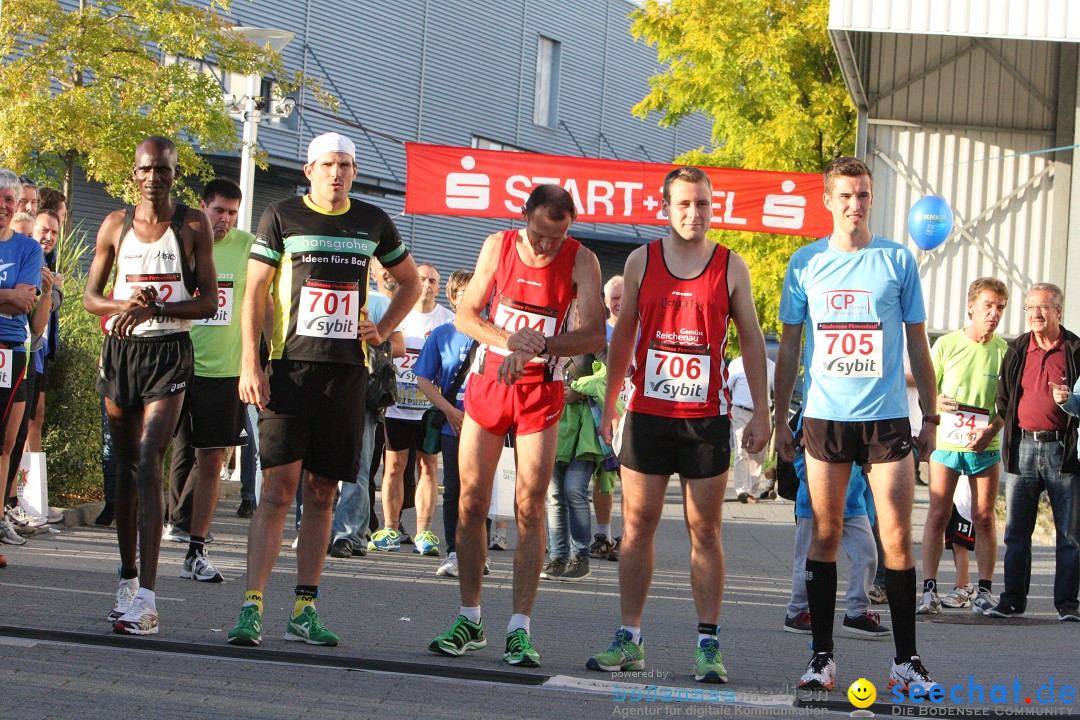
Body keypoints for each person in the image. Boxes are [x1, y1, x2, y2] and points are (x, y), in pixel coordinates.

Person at [226, 132, 420, 648]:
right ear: (310, 169)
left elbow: (411, 281)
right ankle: (252, 607)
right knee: (276, 491)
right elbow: (256, 292)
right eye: (328, 165)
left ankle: (304, 609)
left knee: (322, 492)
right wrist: (251, 360)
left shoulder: (373, 220)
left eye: (346, 166)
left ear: (354, 172)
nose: (337, 173)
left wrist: (383, 329)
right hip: (288, 369)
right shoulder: (281, 214)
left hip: (347, 374)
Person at [586, 167, 769, 684]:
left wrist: (762, 411)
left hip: (704, 421)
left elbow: (752, 340)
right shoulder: (642, 260)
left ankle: (708, 643)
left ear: (715, 207)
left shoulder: (731, 266)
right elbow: (624, 334)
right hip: (648, 415)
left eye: (703, 204)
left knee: (704, 530)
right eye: (685, 204)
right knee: (636, 527)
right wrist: (610, 404)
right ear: (665, 207)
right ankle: (630, 637)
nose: (694, 214)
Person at [772, 156, 939, 693]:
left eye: (863, 194)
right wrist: (779, 418)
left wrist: (931, 415)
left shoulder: (897, 261)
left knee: (896, 537)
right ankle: (822, 658)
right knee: (824, 532)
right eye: (845, 195)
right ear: (827, 200)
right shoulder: (804, 263)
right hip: (825, 418)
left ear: (872, 198)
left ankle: (905, 662)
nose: (854, 204)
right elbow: (791, 348)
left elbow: (918, 343)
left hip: (886, 421)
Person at [429, 184, 604, 668]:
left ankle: (519, 628)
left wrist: (539, 346)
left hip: (539, 392)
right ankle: (469, 617)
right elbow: (466, 315)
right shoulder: (497, 245)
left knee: (530, 505)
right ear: (523, 216)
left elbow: (593, 332)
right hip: (490, 385)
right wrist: (510, 341)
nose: (547, 245)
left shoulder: (582, 260)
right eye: (540, 233)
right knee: (471, 501)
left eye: (558, 235)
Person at [82, 137, 217, 635]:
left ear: (174, 173)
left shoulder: (191, 225)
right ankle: (127, 577)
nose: (155, 178)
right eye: (147, 170)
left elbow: (206, 303)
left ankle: (149, 600)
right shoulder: (115, 225)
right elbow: (91, 297)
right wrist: (127, 307)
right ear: (134, 174)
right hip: (122, 353)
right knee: (125, 470)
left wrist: (156, 308)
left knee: (149, 460)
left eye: (163, 170)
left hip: (168, 353)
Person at [162, 178, 256, 583]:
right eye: (219, 211)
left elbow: (264, 299)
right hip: (177, 361)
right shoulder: (182, 241)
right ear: (203, 207)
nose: (225, 220)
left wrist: (261, 359)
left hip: (225, 370)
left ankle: (195, 548)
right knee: (167, 450)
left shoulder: (247, 245)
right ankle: (163, 527)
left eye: (232, 213)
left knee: (212, 457)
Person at [917, 277, 1009, 616]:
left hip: (985, 445)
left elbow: (1009, 404)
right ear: (970, 307)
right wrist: (937, 402)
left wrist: (992, 430)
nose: (994, 313)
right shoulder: (947, 345)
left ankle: (983, 591)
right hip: (947, 443)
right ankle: (929, 590)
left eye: (1000, 307)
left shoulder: (1003, 351)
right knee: (938, 514)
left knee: (984, 517)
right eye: (988, 305)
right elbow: (929, 390)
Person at [991, 283, 1080, 621]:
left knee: (1070, 533)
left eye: (1043, 307)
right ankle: (1013, 600)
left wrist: (1067, 402)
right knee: (1016, 531)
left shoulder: (1075, 349)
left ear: (1059, 311)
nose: (1036, 314)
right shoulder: (1016, 349)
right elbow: (1003, 398)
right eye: (1030, 308)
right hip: (1023, 446)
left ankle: (1068, 605)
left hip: (1063, 449)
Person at [368, 262, 454, 556]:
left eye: (432, 280)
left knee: (428, 468)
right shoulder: (397, 312)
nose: (427, 284)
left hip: (429, 408)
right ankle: (390, 528)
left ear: (438, 287)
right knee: (393, 466)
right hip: (396, 406)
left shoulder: (447, 321)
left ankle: (424, 532)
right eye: (422, 279)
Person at [784, 415, 889, 640]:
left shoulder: (866, 413)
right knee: (806, 560)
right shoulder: (815, 406)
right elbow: (798, 454)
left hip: (853, 502)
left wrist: (868, 509)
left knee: (868, 554)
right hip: (814, 501)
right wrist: (813, 482)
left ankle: (856, 613)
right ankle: (796, 612)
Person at [327, 281, 405, 558]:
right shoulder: (320, 290)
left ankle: (346, 535)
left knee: (357, 467)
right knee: (320, 466)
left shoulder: (377, 302)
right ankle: (337, 533)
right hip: (323, 390)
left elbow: (399, 347)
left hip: (363, 393)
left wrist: (375, 336)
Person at [413, 270, 475, 575]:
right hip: (453, 425)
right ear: (452, 297)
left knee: (479, 492)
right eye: (463, 292)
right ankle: (453, 551)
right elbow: (423, 379)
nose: (470, 297)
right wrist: (449, 410)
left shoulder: (494, 332)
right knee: (453, 489)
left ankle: (477, 554)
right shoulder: (442, 334)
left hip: (485, 426)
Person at [0, 170, 44, 546]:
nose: (3, 206)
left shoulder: (28, 249)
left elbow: (25, 300)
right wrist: (6, 296)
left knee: (6, 442)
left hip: (11, 349)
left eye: (8, 200)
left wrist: (16, 298)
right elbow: (11, 298)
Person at [590, 274, 624, 560]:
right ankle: (604, 535)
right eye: (614, 297)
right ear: (604, 301)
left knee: (637, 482)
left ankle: (632, 535)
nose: (619, 303)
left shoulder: (644, 329)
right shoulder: (597, 333)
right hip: (599, 413)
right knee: (602, 477)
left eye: (625, 297)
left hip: (634, 414)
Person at [728, 353, 775, 503]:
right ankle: (743, 491)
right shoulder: (736, 364)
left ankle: (752, 489)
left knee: (759, 452)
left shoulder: (770, 366)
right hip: (741, 411)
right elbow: (726, 387)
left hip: (762, 413)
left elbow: (777, 389)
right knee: (741, 450)